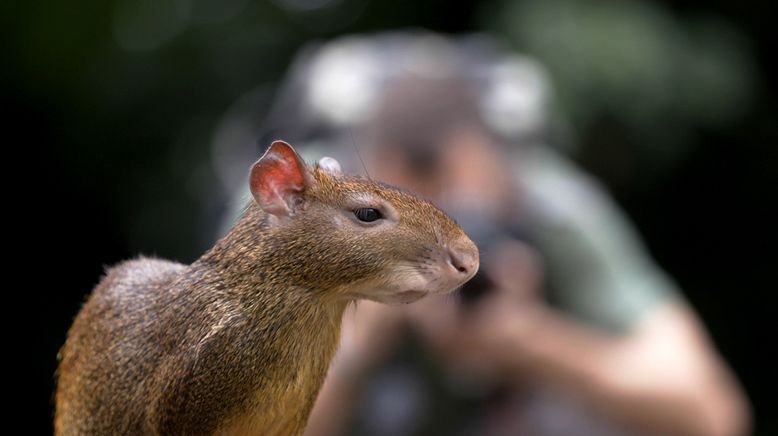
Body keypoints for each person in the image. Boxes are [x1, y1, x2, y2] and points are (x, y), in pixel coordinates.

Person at [214, 32, 751, 436]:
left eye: (471, 218)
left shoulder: (554, 207)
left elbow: (711, 411)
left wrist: (536, 345)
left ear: (500, 169)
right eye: (382, 218)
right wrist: (357, 341)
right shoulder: (295, 216)